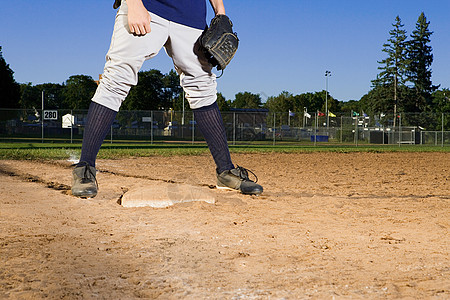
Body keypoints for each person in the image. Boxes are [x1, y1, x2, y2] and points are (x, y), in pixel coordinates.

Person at [71, 0, 263, 198]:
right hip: (147, 7)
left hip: (192, 16)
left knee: (203, 86)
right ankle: (85, 168)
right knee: (116, 79)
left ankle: (225, 171)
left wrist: (220, 13)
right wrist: (134, 3)